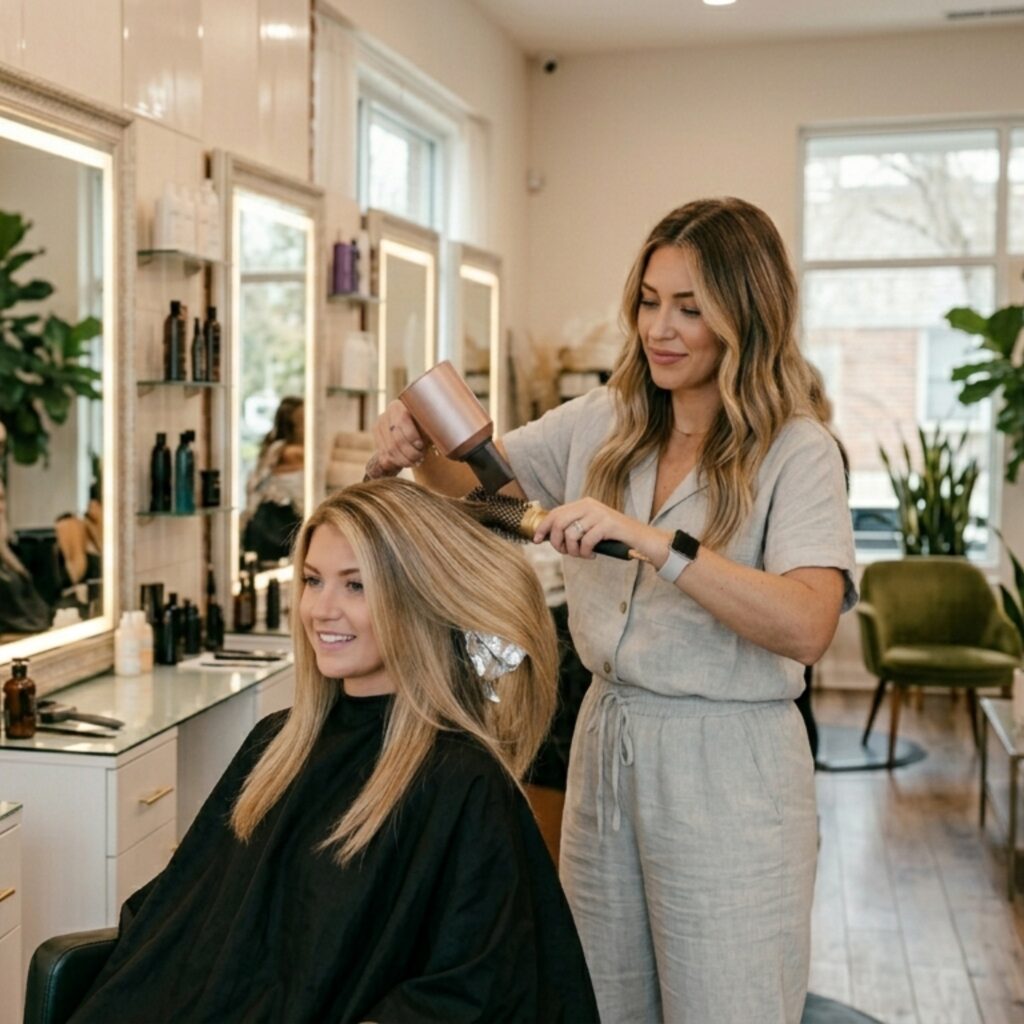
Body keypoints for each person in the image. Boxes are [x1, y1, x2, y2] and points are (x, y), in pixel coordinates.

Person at [371, 197, 858, 1023]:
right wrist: (418, 437)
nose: (660, 329)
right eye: (649, 301)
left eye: (691, 308)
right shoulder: (607, 420)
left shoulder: (797, 450)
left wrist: (656, 542)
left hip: (729, 767)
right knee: (599, 1001)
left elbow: (808, 623)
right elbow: (482, 487)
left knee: (727, 1005)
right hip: (608, 741)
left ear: (748, 314)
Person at [71, 478, 599, 1023]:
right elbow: (186, 914)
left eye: (356, 586)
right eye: (312, 580)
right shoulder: (276, 744)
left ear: (416, 595)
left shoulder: (459, 778)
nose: (321, 610)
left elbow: (479, 984)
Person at [242, 395, 305, 563]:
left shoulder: (276, 448)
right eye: (303, 421)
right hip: (275, 528)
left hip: (275, 526)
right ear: (292, 426)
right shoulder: (288, 452)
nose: (308, 426)